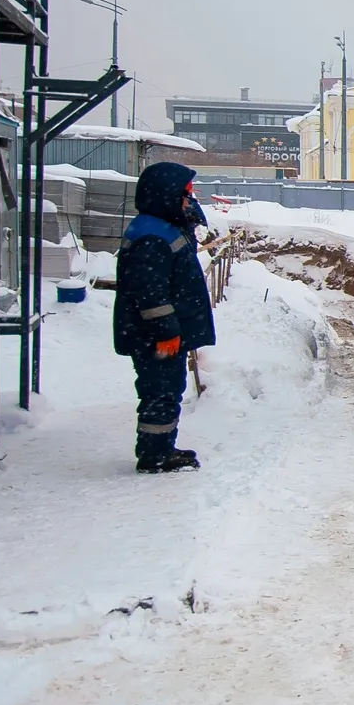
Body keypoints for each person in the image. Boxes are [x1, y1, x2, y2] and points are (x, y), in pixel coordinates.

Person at [113, 161, 216, 473]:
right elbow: (150, 293)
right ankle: (155, 454)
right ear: (165, 195)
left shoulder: (159, 227)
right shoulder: (152, 236)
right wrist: (167, 330)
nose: (189, 201)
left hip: (160, 332)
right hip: (157, 335)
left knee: (166, 387)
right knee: (161, 389)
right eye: (185, 195)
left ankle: (160, 447)